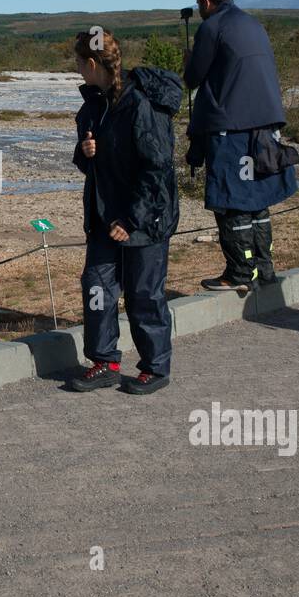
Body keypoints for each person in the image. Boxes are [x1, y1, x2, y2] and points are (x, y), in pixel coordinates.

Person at [68, 29, 183, 394]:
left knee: (143, 294)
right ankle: (105, 361)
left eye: (77, 63)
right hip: (105, 215)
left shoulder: (140, 103)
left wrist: (130, 220)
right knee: (97, 286)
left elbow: (157, 167)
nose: (77, 71)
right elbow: (91, 164)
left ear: (90, 63)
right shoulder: (94, 104)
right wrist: (85, 153)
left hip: (145, 219)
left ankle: (155, 366)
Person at [183, 0, 298, 294]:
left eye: (199, 4)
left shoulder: (211, 27)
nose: (199, 9)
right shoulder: (253, 24)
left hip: (230, 128)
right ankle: (264, 268)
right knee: (257, 201)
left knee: (231, 201)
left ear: (206, 2)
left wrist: (188, 62)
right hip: (266, 126)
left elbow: (193, 78)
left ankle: (239, 272)